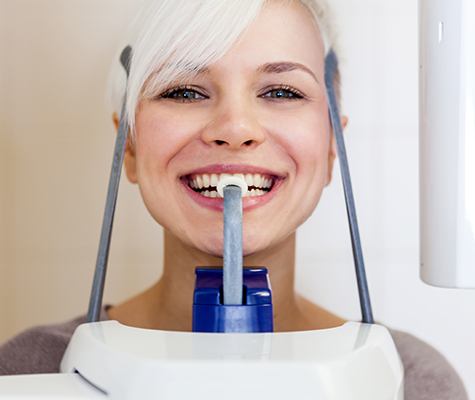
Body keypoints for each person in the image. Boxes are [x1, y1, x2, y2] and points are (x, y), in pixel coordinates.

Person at [0, 0, 468, 399]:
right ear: (131, 146)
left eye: (281, 91)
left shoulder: (415, 382)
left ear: (331, 148)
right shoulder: (28, 371)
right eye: (183, 90)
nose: (235, 128)